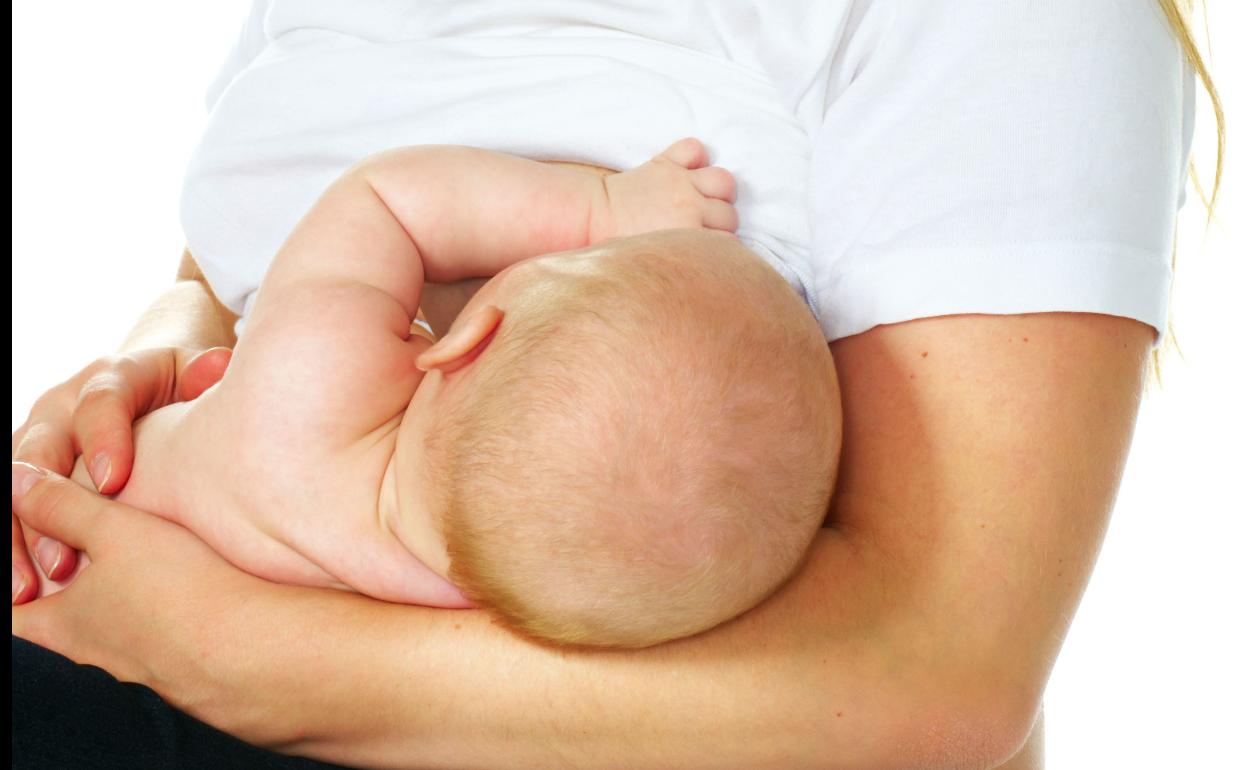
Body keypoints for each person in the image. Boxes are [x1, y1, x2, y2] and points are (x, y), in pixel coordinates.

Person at [12, 1, 1218, 767]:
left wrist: (230, 647)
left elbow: (941, 679)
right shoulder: (456, 556)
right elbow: (232, 259)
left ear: (466, 338)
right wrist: (154, 358)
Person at [58, 140, 839, 648]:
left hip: (60, 541)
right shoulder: (459, 598)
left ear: (470, 338)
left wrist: (597, 211)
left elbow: (386, 201)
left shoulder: (317, 377)